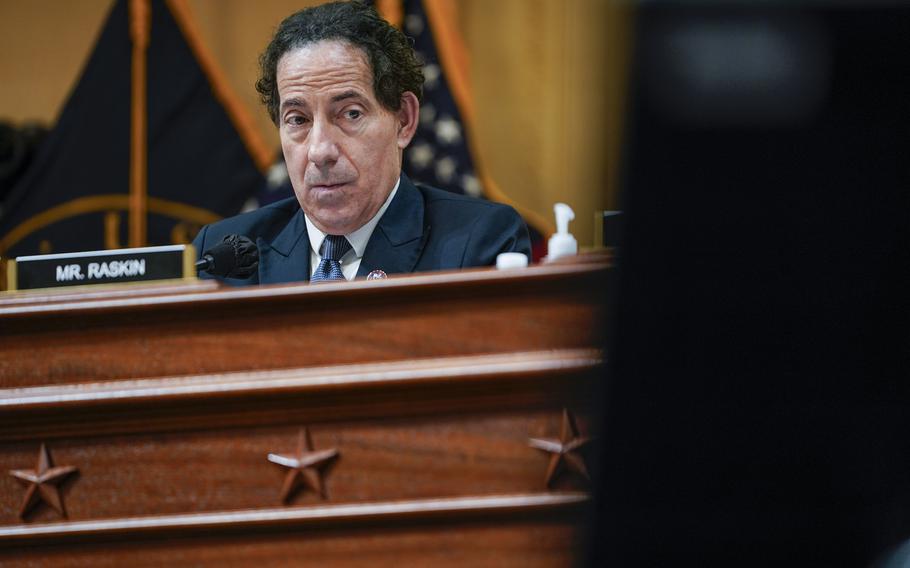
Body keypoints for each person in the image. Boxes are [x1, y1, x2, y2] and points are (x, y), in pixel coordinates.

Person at [192, 0, 530, 285]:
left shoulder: (476, 243)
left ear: (404, 120)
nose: (320, 151)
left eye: (350, 114)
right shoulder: (223, 256)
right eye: (298, 119)